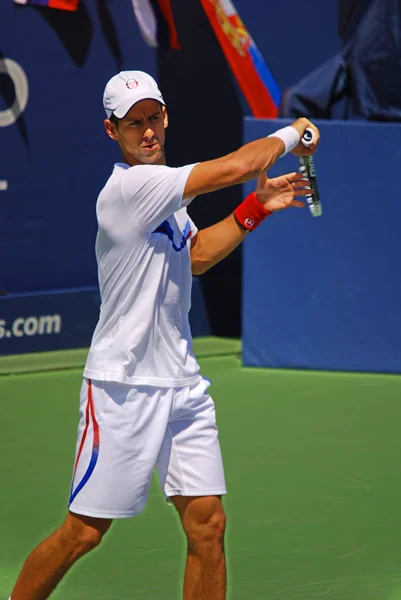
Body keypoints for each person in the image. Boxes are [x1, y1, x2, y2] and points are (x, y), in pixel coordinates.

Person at [10, 70, 319, 600]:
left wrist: (255, 209)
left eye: (154, 118)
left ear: (166, 116)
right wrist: (293, 134)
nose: (147, 131)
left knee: (208, 526)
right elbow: (242, 166)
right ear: (113, 131)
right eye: (134, 124)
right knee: (83, 533)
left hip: (182, 385)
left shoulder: (166, 194)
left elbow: (194, 258)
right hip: (121, 387)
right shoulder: (132, 188)